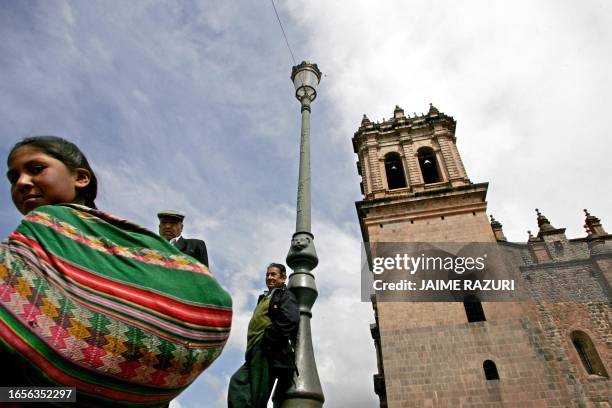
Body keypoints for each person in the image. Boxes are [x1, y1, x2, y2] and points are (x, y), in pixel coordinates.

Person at [0, 136, 232, 406]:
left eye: (36, 169)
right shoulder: (28, 243)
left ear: (81, 178)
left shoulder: (137, 246)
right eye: (13, 177)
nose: (22, 182)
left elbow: (203, 293)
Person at [228, 263, 299, 408]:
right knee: (237, 382)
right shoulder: (264, 297)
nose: (269, 277)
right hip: (253, 350)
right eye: (267, 274)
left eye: (273, 274)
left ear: (283, 278)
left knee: (258, 394)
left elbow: (290, 320)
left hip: (266, 350)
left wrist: (269, 337)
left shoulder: (284, 295)